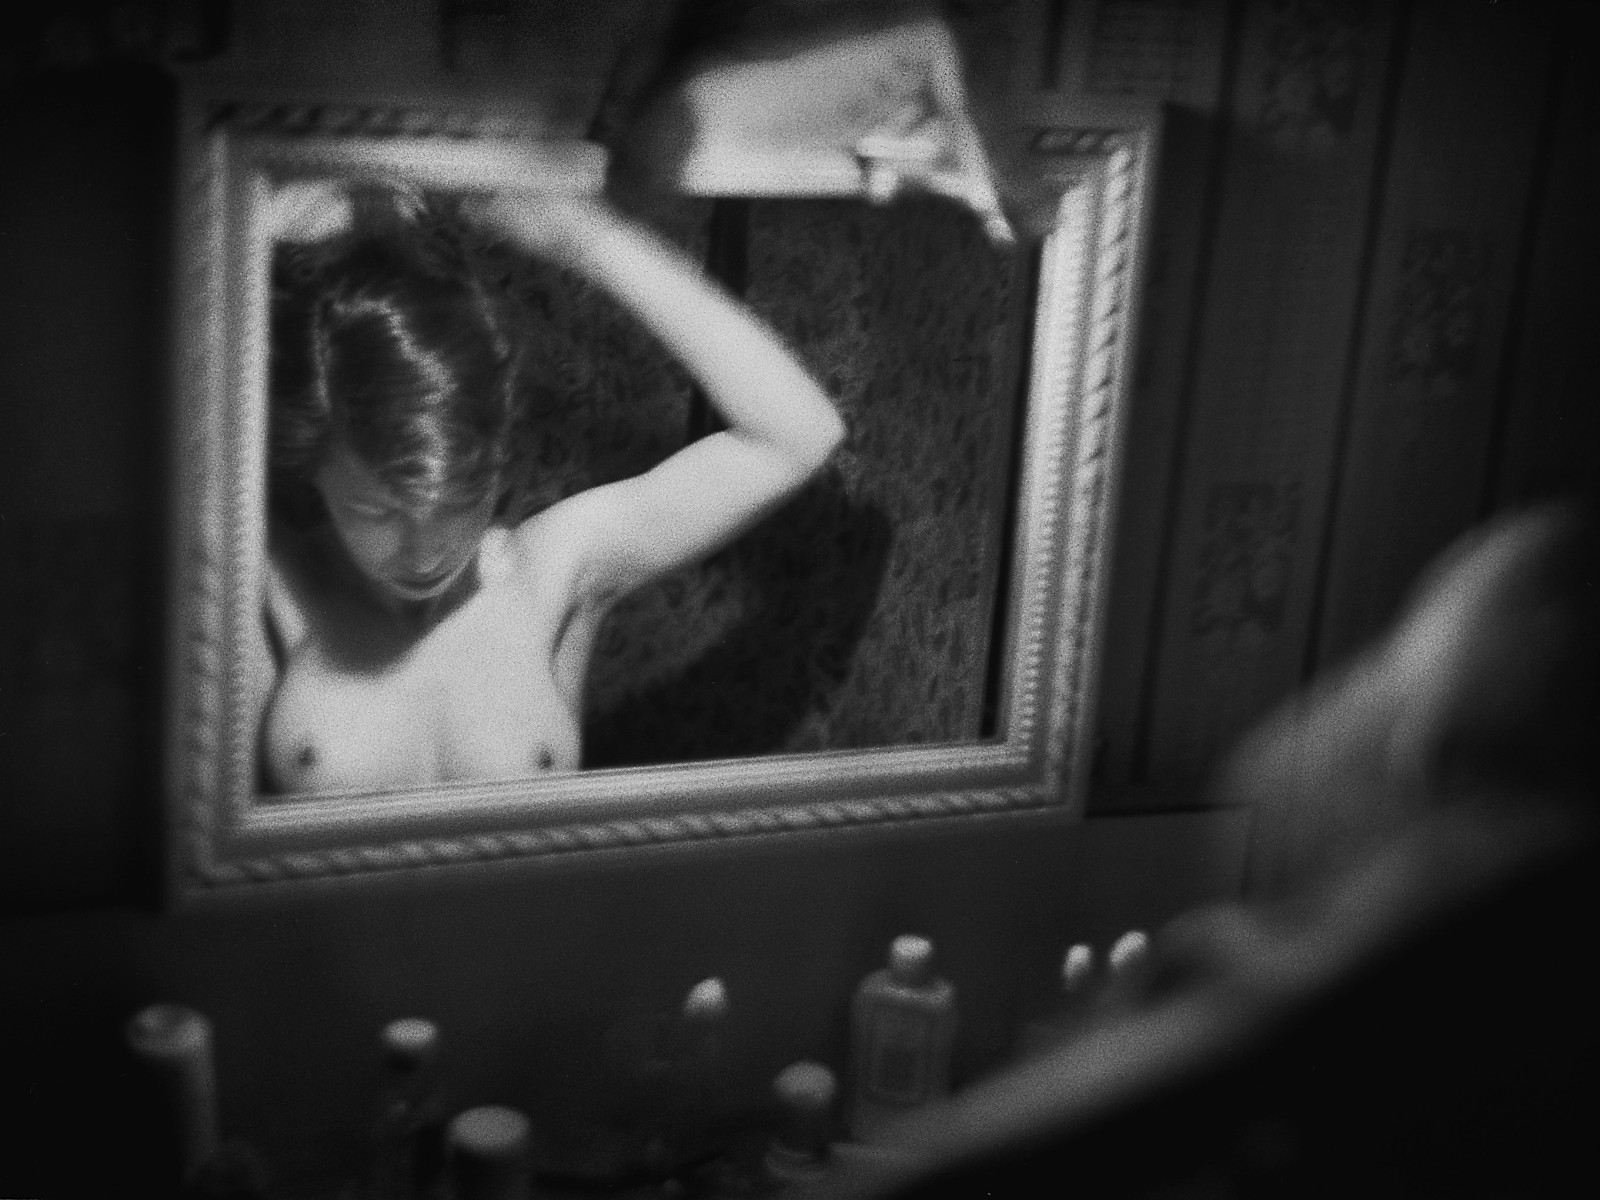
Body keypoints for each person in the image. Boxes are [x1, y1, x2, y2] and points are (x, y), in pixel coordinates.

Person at [247, 181, 845, 794]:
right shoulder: (264, 574)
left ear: (496, 453)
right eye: (375, 511)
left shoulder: (551, 568)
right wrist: (233, 251)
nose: (425, 553)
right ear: (310, 469)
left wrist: (583, 237)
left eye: (462, 497)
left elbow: (799, 436)